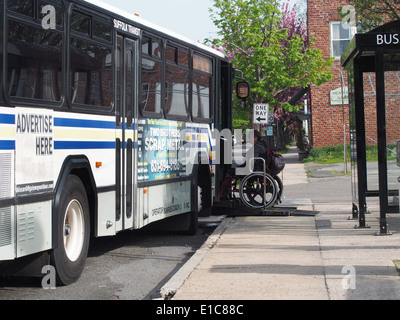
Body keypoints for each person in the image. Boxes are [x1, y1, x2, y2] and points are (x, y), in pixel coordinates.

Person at [219, 130, 267, 199]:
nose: (249, 139)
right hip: (256, 167)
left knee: (231, 171)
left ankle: (222, 192)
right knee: (234, 168)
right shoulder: (259, 146)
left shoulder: (257, 147)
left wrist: (245, 159)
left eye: (250, 137)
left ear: (255, 138)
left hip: (252, 169)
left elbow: (252, 159)